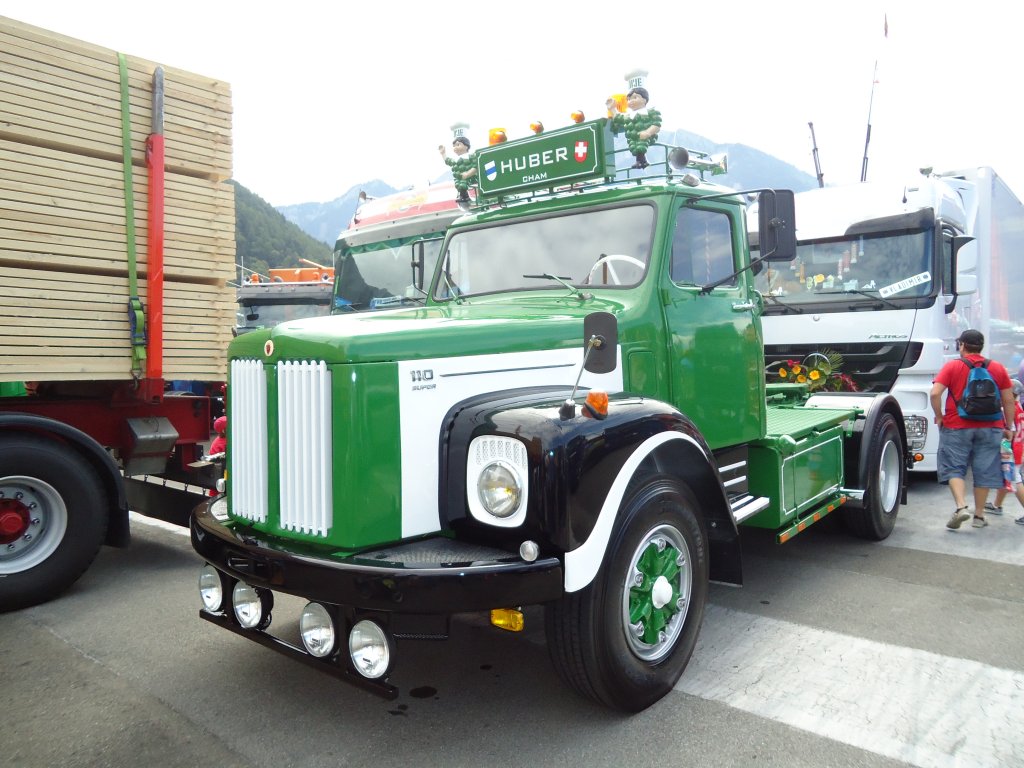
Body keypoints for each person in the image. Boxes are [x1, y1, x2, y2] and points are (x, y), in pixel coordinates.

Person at [930, 329, 1016, 530]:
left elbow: (935, 394)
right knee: (984, 469)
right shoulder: (997, 367)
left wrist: (940, 416)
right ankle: (979, 516)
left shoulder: (952, 366)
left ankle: (961, 508)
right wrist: (1008, 426)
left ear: (962, 345)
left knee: (954, 467)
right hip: (991, 427)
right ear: (981, 346)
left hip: (956, 425)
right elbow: (1008, 399)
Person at [984, 378, 1024, 523]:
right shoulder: (1018, 406)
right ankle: (997, 505)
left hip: (1010, 449)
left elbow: (1006, 431)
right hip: (1019, 447)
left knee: (1015, 480)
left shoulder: (1007, 409)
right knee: (1005, 477)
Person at [606, 86, 661, 169]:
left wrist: (648, 132)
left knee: (641, 145)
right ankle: (641, 161)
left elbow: (657, 124)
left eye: (635, 97)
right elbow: (618, 117)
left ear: (644, 100)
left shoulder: (650, 112)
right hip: (633, 138)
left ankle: (641, 161)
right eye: (629, 99)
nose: (631, 101)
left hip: (644, 137)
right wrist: (612, 108)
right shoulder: (628, 116)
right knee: (634, 147)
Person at [438, 135, 476, 203]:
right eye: (454, 146)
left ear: (466, 146)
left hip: (470, 178)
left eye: (458, 145)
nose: (455, 147)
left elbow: (476, 166)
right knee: (458, 185)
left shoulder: (470, 156)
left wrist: (468, 174)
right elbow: (448, 161)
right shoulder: (455, 159)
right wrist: (443, 153)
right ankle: (464, 196)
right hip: (459, 179)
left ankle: (466, 196)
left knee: (462, 185)